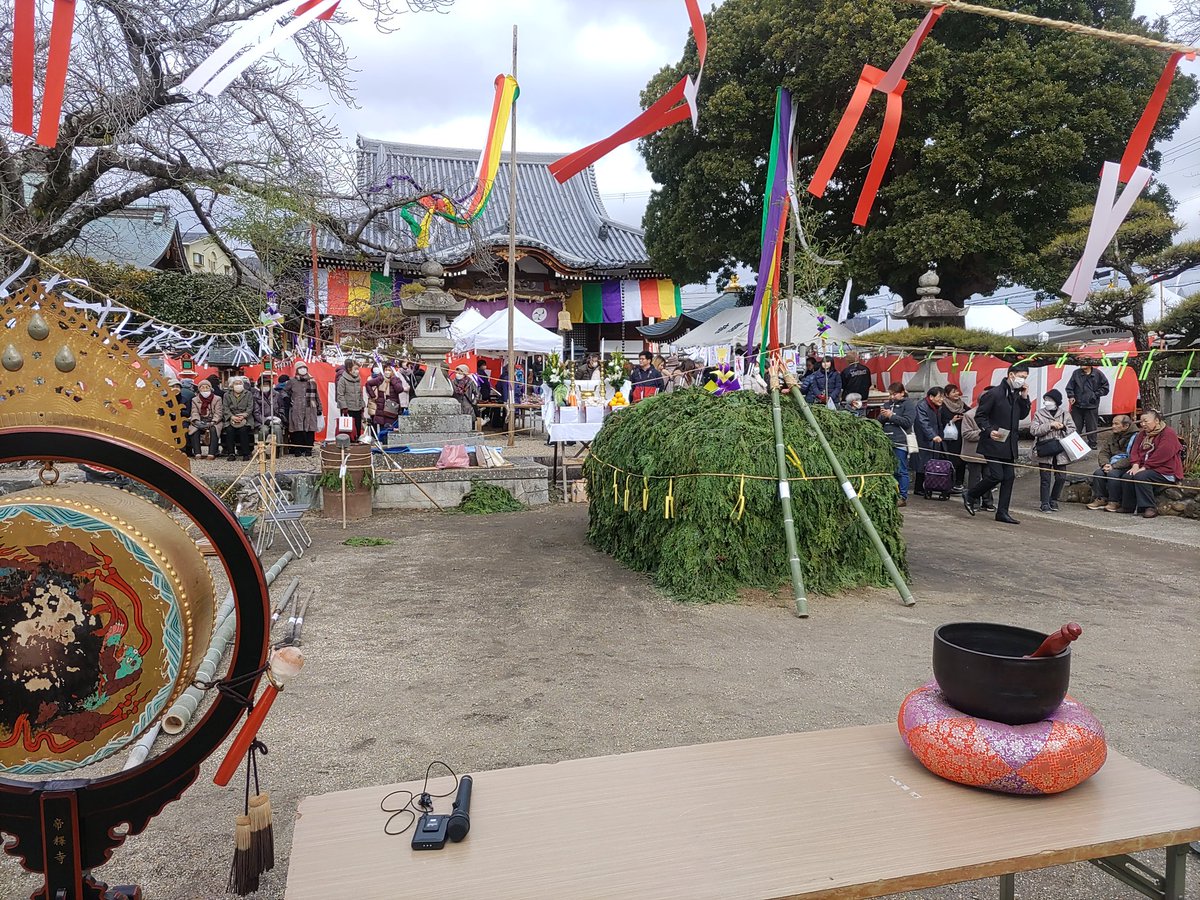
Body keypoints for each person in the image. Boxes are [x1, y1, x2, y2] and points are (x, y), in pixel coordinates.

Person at [963, 363, 1032, 524]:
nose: (1023, 380)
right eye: (1021, 376)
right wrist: (988, 430)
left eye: (1025, 378)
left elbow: (1022, 415)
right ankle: (970, 494)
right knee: (996, 475)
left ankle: (1002, 512)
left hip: (1009, 443)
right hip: (993, 441)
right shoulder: (994, 394)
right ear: (1011, 375)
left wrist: (1025, 397)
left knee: (1009, 477)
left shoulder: (1017, 394)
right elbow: (980, 415)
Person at [1119, 409, 1184, 519]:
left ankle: (1149, 507)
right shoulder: (1142, 434)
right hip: (1145, 467)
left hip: (1165, 470)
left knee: (1141, 476)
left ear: (1157, 421)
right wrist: (1135, 465)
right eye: (1141, 422)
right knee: (1128, 475)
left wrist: (1145, 467)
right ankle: (1128, 505)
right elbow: (1135, 451)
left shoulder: (1168, 433)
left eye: (1146, 421)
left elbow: (1163, 454)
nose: (1143, 424)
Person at [1029, 389, 1076, 512]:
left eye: (1049, 400)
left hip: (1061, 450)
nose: (1047, 402)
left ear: (1056, 401)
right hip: (1045, 449)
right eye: (1046, 400)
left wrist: (1063, 427)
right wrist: (1049, 425)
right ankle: (1044, 502)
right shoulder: (1039, 414)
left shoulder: (1065, 414)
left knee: (1061, 477)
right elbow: (1034, 430)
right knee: (1045, 478)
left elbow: (1073, 430)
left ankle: (1053, 499)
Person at [877, 382, 917, 507]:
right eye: (890, 394)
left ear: (902, 393)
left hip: (901, 441)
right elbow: (879, 421)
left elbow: (907, 422)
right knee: (889, 470)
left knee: (901, 470)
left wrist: (891, 416)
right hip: (887, 440)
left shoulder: (908, 405)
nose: (892, 397)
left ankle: (902, 496)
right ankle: (891, 494)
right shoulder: (887, 404)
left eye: (894, 394)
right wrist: (883, 416)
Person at [1087, 415, 1136, 512]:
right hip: (1112, 464)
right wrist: (1105, 464)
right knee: (1098, 473)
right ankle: (1101, 498)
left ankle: (1114, 501)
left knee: (1113, 474)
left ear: (1126, 426)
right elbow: (1104, 452)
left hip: (1127, 466)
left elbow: (1133, 457)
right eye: (1113, 424)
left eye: (1116, 424)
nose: (1113, 426)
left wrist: (1114, 466)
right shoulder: (1112, 436)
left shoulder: (1135, 437)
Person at [960, 402, 995, 511]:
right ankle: (973, 501)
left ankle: (987, 501)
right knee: (974, 478)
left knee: (989, 477)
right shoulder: (969, 415)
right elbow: (966, 434)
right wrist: (984, 433)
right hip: (973, 452)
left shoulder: (994, 414)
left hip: (990, 452)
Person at [1065, 361, 1109, 449]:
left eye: (1084, 362)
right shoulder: (1076, 373)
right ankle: (1075, 444)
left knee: (1091, 426)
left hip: (1091, 406)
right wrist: (1071, 396)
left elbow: (1105, 388)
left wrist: (1095, 395)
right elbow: (1069, 387)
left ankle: (1092, 444)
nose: (1081, 364)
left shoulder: (1098, 374)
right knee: (1075, 426)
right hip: (1077, 405)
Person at [914, 386, 946, 499]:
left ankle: (929, 486)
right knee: (923, 462)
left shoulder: (937, 406)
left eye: (943, 397)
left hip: (935, 437)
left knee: (931, 462)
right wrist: (933, 435)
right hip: (924, 438)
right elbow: (923, 423)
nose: (941, 399)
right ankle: (919, 488)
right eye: (939, 397)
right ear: (931, 397)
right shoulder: (922, 406)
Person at [286, 363, 322, 456]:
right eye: (300, 368)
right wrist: (287, 399)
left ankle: (308, 449)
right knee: (298, 429)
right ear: (296, 370)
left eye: (304, 367)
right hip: (297, 408)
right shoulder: (292, 381)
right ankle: (298, 449)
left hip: (310, 408)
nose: (302, 369)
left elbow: (316, 395)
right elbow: (284, 392)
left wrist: (319, 407)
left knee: (310, 428)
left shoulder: (312, 382)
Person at [939, 383, 969, 492]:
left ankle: (959, 482)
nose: (956, 393)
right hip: (950, 438)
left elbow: (970, 412)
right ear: (947, 395)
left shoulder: (962, 404)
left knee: (962, 459)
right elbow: (941, 421)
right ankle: (949, 482)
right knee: (952, 460)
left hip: (962, 436)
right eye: (953, 392)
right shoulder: (943, 406)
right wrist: (952, 421)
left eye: (957, 391)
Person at [220, 375, 256, 461]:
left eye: (240, 383)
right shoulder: (226, 395)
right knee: (229, 430)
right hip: (231, 417)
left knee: (243, 430)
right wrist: (232, 416)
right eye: (236, 383)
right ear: (232, 385)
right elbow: (225, 408)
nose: (238, 385)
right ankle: (231, 453)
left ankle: (245, 453)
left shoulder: (248, 394)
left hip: (245, 417)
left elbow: (250, 407)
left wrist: (243, 415)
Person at [188, 380, 223, 459]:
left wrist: (213, 422)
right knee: (194, 429)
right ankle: (197, 453)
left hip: (213, 421)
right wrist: (197, 421)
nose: (205, 389)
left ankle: (212, 453)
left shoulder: (217, 399)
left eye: (207, 387)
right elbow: (194, 412)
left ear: (210, 388)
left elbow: (218, 413)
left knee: (214, 429)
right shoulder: (195, 400)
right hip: (200, 420)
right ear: (199, 389)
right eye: (202, 387)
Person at [335, 359, 366, 440]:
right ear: (349, 369)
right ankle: (349, 441)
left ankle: (357, 439)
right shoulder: (342, 379)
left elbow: (360, 393)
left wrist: (362, 405)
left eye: (358, 369)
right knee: (348, 428)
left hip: (358, 407)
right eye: (355, 369)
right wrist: (344, 407)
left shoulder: (358, 379)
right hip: (348, 408)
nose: (357, 371)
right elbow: (340, 394)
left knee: (358, 426)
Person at [254, 374, 284, 448]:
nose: (265, 386)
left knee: (277, 429)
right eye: (263, 385)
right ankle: (261, 449)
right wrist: (266, 421)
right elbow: (256, 412)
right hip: (262, 421)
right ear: (259, 386)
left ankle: (278, 448)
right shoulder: (255, 396)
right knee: (264, 430)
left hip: (275, 419)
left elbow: (281, 407)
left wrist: (279, 417)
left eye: (267, 384)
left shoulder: (277, 395)